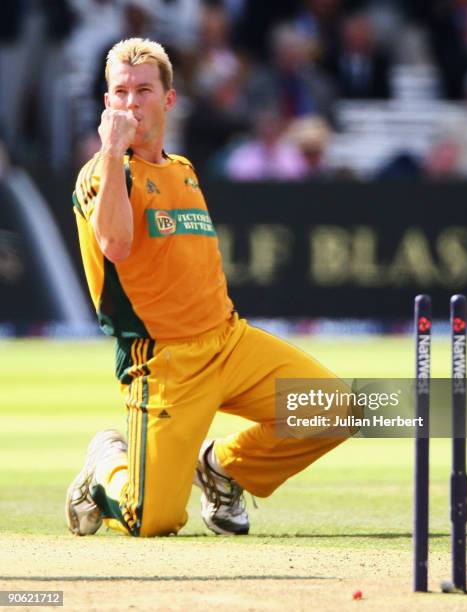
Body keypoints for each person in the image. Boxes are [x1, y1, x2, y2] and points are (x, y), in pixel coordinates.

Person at [66, 37, 355, 538]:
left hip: (228, 342)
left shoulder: (183, 170)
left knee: (337, 409)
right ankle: (107, 465)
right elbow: (113, 243)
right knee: (150, 519)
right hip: (164, 361)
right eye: (119, 92)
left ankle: (222, 468)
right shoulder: (103, 173)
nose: (131, 102)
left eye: (143, 91)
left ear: (169, 99)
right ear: (107, 102)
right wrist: (111, 151)